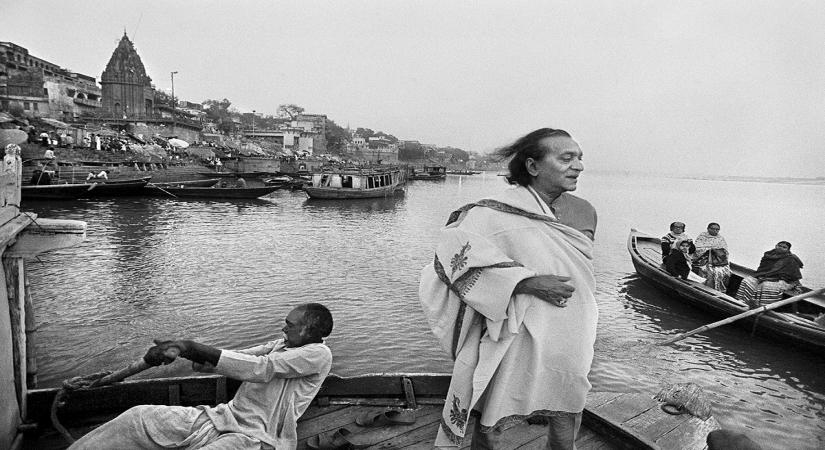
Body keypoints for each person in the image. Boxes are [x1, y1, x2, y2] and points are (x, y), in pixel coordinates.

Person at [419, 128, 597, 449]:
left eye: (580, 158)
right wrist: (524, 282)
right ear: (532, 166)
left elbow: (576, 270)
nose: (579, 166)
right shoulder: (490, 212)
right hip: (515, 329)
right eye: (567, 158)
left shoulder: (584, 211)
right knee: (495, 408)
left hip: (572, 329)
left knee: (568, 401)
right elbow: (450, 254)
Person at [69, 303, 333, 450]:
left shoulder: (318, 355)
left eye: (290, 324)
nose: (283, 327)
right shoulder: (282, 345)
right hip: (223, 417)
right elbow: (240, 356)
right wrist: (188, 354)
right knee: (138, 417)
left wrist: (191, 346)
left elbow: (261, 368)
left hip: (258, 438)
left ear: (310, 329)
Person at [735, 241, 803, 308]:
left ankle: (763, 306)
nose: (780, 248)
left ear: (788, 250)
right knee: (747, 280)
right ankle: (744, 301)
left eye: (784, 247)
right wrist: (762, 276)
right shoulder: (768, 255)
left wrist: (770, 278)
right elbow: (762, 269)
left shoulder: (790, 259)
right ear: (776, 246)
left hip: (782, 280)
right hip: (764, 276)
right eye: (779, 246)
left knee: (766, 285)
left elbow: (790, 276)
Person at [692, 222, 731, 291]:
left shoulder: (720, 238)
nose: (715, 231)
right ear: (708, 229)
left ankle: (719, 290)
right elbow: (697, 248)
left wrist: (718, 253)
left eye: (717, 229)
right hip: (703, 259)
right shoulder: (702, 236)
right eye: (713, 229)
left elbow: (725, 251)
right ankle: (705, 288)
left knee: (725, 272)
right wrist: (709, 250)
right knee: (708, 271)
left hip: (717, 260)